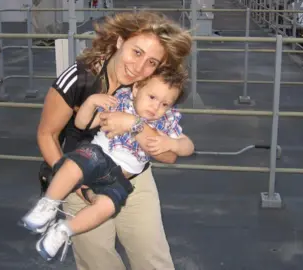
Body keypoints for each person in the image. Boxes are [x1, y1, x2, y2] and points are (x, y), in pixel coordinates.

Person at [35, 11, 193, 270]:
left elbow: (169, 155)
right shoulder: (78, 78)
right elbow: (47, 134)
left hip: (134, 182)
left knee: (153, 261)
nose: (140, 68)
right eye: (137, 52)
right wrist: (74, 186)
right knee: (98, 263)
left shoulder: (148, 88)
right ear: (120, 42)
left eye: (152, 62)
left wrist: (133, 124)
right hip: (80, 179)